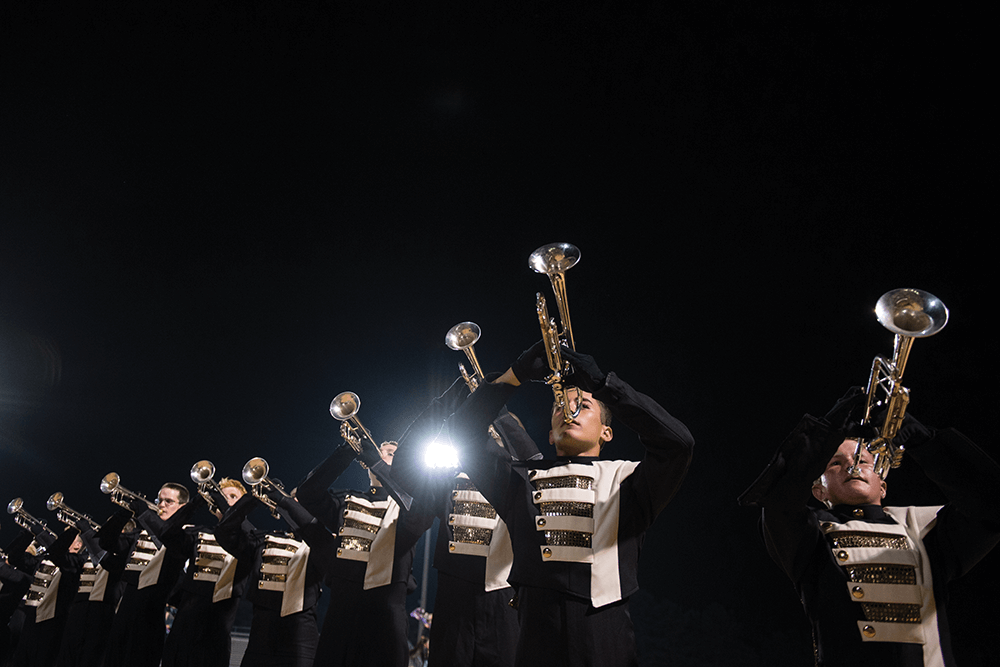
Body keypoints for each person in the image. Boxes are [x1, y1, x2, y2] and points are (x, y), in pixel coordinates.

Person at [447, 342, 695, 667]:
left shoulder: (628, 479)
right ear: (550, 435)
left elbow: (679, 444)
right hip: (536, 636)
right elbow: (462, 432)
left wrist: (605, 385)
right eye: (559, 406)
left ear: (606, 433)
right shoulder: (518, 480)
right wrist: (515, 375)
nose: (569, 410)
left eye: (585, 405)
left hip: (605, 637)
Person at [738, 388, 1000, 667]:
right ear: (818, 490)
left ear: (883, 485)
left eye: (862, 460)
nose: (852, 465)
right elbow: (779, 501)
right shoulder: (812, 533)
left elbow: (992, 506)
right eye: (835, 463)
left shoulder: (924, 527)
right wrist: (828, 430)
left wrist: (924, 441)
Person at [392, 378, 541, 667]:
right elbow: (403, 466)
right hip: (453, 602)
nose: (485, 435)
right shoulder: (450, 480)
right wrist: (447, 400)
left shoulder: (524, 482)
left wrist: (492, 402)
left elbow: (532, 460)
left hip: (507, 600)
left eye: (495, 433)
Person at [295, 440, 422, 667]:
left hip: (386, 619)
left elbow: (418, 516)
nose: (381, 455)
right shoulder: (348, 500)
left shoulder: (408, 506)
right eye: (378, 451)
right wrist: (346, 451)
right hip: (341, 615)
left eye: (390, 454)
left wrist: (375, 461)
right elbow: (308, 494)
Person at [214, 482, 325, 667]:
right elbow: (225, 530)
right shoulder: (265, 538)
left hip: (302, 635)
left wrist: (289, 505)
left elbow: (320, 544)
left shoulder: (322, 543)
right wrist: (254, 497)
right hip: (261, 632)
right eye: (294, 503)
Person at [158, 477, 250, 667]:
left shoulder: (249, 539)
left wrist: (230, 511)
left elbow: (246, 535)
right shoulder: (199, 533)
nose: (225, 501)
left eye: (233, 497)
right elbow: (167, 533)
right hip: (183, 630)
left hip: (215, 636)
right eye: (222, 497)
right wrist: (195, 503)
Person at [101, 482, 189, 667]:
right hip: (125, 610)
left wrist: (144, 514)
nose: (161, 505)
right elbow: (106, 542)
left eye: (168, 501)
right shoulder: (140, 534)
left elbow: (168, 537)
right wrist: (125, 512)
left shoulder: (185, 535)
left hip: (151, 614)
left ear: (182, 507)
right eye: (160, 500)